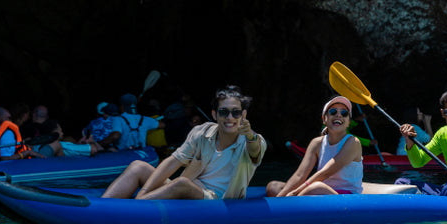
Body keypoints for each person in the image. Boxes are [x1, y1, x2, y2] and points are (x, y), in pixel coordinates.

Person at [103, 85, 266, 199]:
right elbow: (174, 161)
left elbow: (254, 150)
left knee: (182, 183)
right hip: (187, 188)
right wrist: (144, 191)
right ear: (215, 114)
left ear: (243, 115)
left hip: (214, 199)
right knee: (138, 166)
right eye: (224, 112)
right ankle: (101, 207)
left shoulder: (253, 140)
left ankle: (138, 207)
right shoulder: (201, 132)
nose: (230, 117)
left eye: (235, 113)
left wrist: (250, 135)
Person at [267, 96, 364, 196]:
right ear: (324, 119)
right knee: (273, 187)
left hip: (347, 196)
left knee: (316, 187)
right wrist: (280, 197)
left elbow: (326, 172)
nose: (339, 115)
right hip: (321, 192)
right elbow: (300, 175)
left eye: (344, 113)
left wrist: (294, 193)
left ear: (348, 122)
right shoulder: (316, 143)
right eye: (333, 112)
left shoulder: (353, 142)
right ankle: (287, 205)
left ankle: (289, 207)